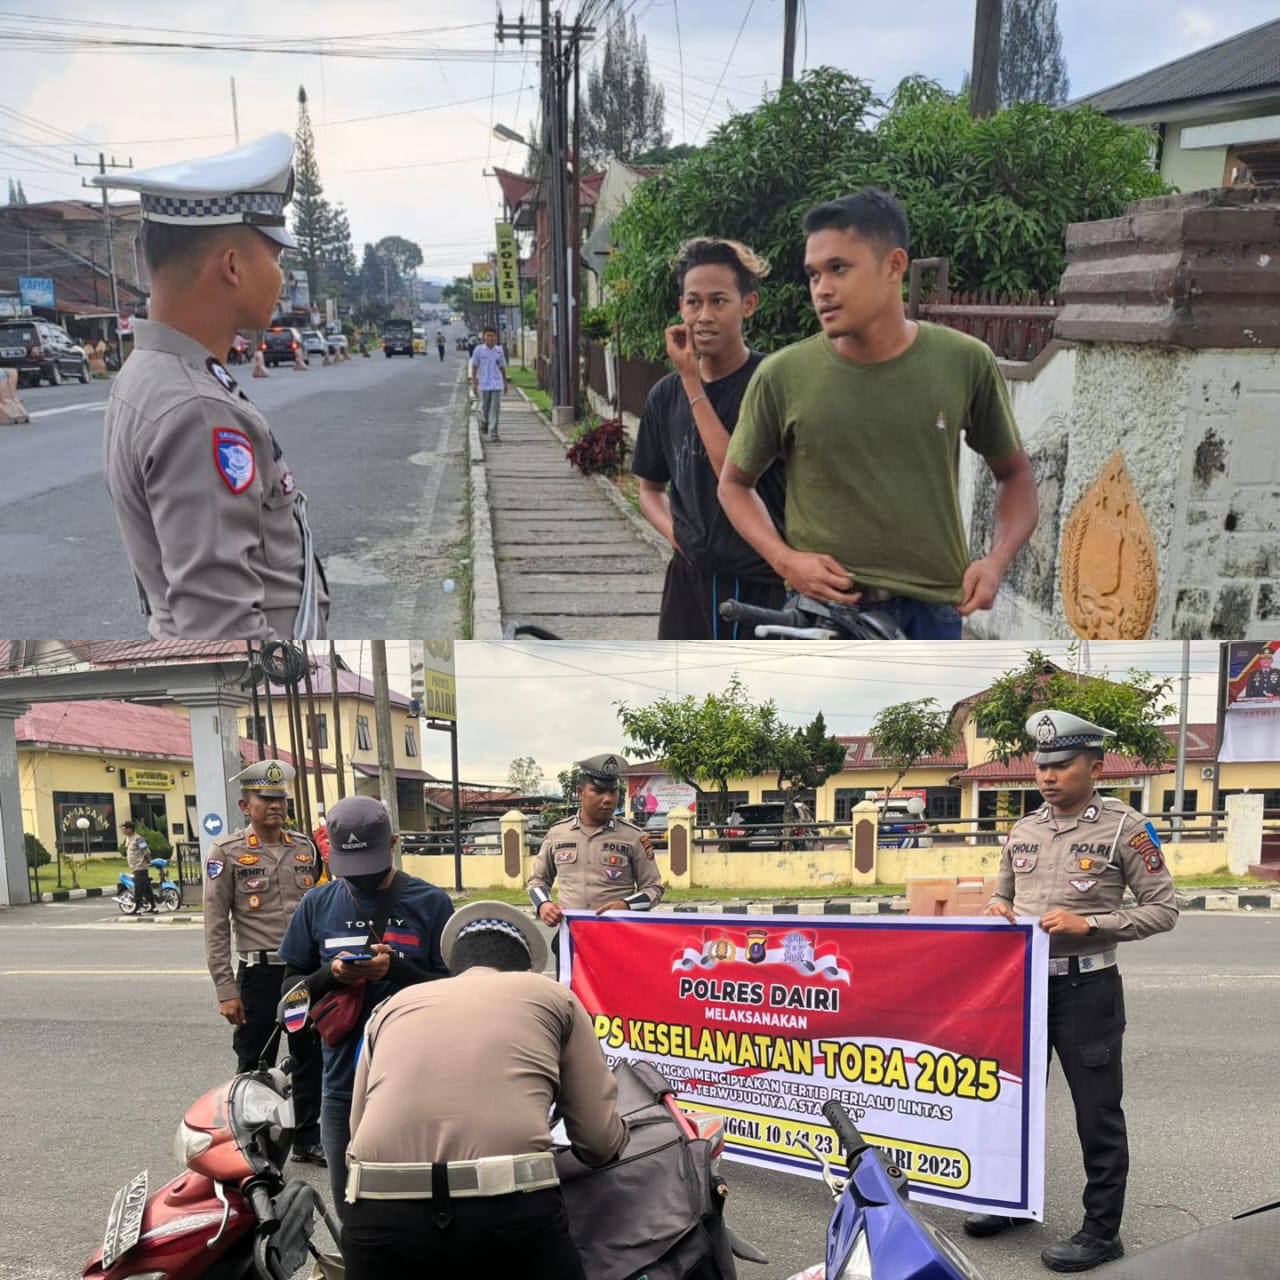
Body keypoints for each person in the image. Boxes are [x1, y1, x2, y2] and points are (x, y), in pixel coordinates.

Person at [718, 187, 1039, 640]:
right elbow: (734, 485)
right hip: (822, 617)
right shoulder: (782, 375)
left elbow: (1016, 476)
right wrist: (784, 559)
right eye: (813, 275)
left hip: (932, 617)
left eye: (839, 269)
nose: (822, 289)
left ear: (894, 265)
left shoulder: (964, 361)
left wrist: (996, 560)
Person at [93, 132, 328, 640]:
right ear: (232, 266)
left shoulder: (148, 373)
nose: (280, 278)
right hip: (267, 695)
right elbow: (222, 633)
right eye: (275, 257)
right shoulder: (198, 409)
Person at [968, 710, 1178, 1272]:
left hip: (1088, 990)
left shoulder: (1123, 828)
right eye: (1041, 766)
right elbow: (1003, 894)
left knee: (1097, 1114)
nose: (1047, 776)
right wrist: (997, 907)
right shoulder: (1024, 829)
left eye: (1061, 765)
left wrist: (1094, 924)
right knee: (1011, 1102)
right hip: (1023, 989)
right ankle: (1012, 1203)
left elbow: (1164, 910)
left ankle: (1102, 1232)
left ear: (1095, 765)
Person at [341, 899, 627, 1278]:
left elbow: (356, 1135)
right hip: (507, 1208)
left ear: (454, 968)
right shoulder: (554, 996)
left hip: (379, 1214)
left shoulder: (393, 1006)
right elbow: (598, 1141)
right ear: (526, 968)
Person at [278, 795, 453, 1215]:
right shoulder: (317, 905)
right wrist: (331, 976)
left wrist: (397, 970)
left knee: (418, 1210)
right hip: (340, 1088)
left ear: (393, 843)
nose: (361, 879)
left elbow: (457, 998)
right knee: (349, 1209)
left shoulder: (432, 903)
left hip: (417, 1087)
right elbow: (287, 1008)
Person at [632, 238, 788, 639]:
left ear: (748, 305)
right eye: (693, 302)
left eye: (719, 301)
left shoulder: (769, 384)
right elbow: (649, 487)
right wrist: (675, 535)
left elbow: (734, 476)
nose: (704, 315)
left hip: (758, 584)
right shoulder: (663, 396)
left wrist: (691, 379)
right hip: (687, 582)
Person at [201, 759, 325, 1164]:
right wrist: (226, 989)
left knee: (309, 1056)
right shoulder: (227, 853)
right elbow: (216, 925)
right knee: (255, 1063)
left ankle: (307, 1136)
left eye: (280, 798)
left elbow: (321, 908)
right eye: (265, 798)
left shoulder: (305, 848)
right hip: (259, 973)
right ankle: (252, 1144)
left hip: (303, 973)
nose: (275, 805)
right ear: (244, 805)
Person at [527, 753, 664, 966]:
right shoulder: (558, 834)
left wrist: (626, 906)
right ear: (580, 792)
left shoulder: (633, 837)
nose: (607, 799)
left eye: (613, 791)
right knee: (569, 998)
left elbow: (654, 889)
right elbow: (537, 881)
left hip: (617, 941)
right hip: (570, 940)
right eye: (599, 791)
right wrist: (543, 905)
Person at [470, 325, 508, 441]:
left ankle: (494, 433)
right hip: (484, 384)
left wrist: (505, 382)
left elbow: (502, 367)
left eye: (493, 336)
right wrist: (474, 383)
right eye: (488, 336)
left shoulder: (499, 351)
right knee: (485, 408)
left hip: (496, 384)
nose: (491, 338)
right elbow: (474, 366)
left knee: (495, 408)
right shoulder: (479, 350)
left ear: (496, 337)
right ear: (484, 337)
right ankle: (484, 422)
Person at [122, 820, 156, 914]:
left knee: (139, 888)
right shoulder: (128, 839)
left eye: (125, 828)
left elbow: (146, 851)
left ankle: (137, 907)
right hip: (134, 867)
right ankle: (153, 906)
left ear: (130, 829)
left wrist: (148, 861)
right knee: (146, 888)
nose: (123, 830)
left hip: (140, 867)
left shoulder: (138, 839)